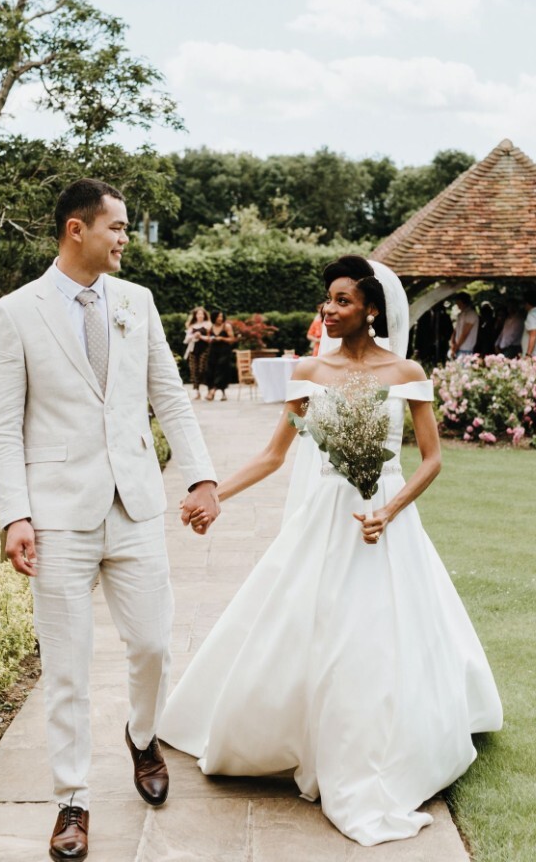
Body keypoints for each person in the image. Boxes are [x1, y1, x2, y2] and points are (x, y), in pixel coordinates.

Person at [160, 255, 502, 847]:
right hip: (325, 516)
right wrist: (215, 494)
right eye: (327, 299)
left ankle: (374, 747)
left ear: (372, 308)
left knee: (377, 636)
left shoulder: (406, 372)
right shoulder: (310, 372)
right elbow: (273, 456)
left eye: (342, 300)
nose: (329, 309)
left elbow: (432, 460)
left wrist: (388, 513)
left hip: (384, 519)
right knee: (309, 626)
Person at [0, 179, 220, 862]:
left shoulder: (137, 303)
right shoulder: (16, 312)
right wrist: (15, 515)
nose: (125, 238)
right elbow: (3, 427)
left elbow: (169, 399)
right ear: (75, 230)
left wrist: (201, 475)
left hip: (137, 505)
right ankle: (72, 801)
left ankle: (142, 736)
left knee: (152, 646)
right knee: (67, 667)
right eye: (116, 227)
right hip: (56, 516)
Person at [205, 309, 236, 401]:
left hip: (224, 352)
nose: (220, 318)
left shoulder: (226, 327)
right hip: (213, 352)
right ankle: (212, 390)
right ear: (214, 317)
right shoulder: (210, 327)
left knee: (221, 370)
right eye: (218, 316)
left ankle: (214, 391)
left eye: (222, 316)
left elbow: (232, 339)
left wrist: (222, 338)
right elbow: (207, 339)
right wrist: (211, 339)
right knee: (210, 371)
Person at [184, 306, 211, 398]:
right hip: (193, 350)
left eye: (202, 314)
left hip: (204, 349)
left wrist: (201, 336)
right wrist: (193, 336)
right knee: (194, 370)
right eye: (198, 314)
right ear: (195, 315)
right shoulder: (191, 326)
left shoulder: (208, 325)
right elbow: (186, 339)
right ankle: (197, 391)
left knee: (202, 369)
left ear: (204, 315)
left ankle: (208, 389)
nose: (200, 315)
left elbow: (210, 338)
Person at [449, 291, 479, 359]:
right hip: (457, 347)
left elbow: (465, 334)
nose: (456, 303)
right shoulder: (461, 314)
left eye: (458, 301)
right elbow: (455, 330)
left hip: (465, 349)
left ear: (462, 301)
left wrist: (455, 348)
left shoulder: (471, 314)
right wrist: (452, 343)